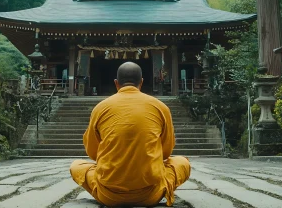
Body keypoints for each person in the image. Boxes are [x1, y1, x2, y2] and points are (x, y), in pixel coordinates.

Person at [70, 62, 191, 207]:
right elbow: (166, 152)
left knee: (76, 166)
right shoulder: (160, 107)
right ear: (141, 82)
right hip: (151, 194)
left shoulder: (100, 108)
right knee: (182, 162)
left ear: (116, 83)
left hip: (109, 195)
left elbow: (92, 152)